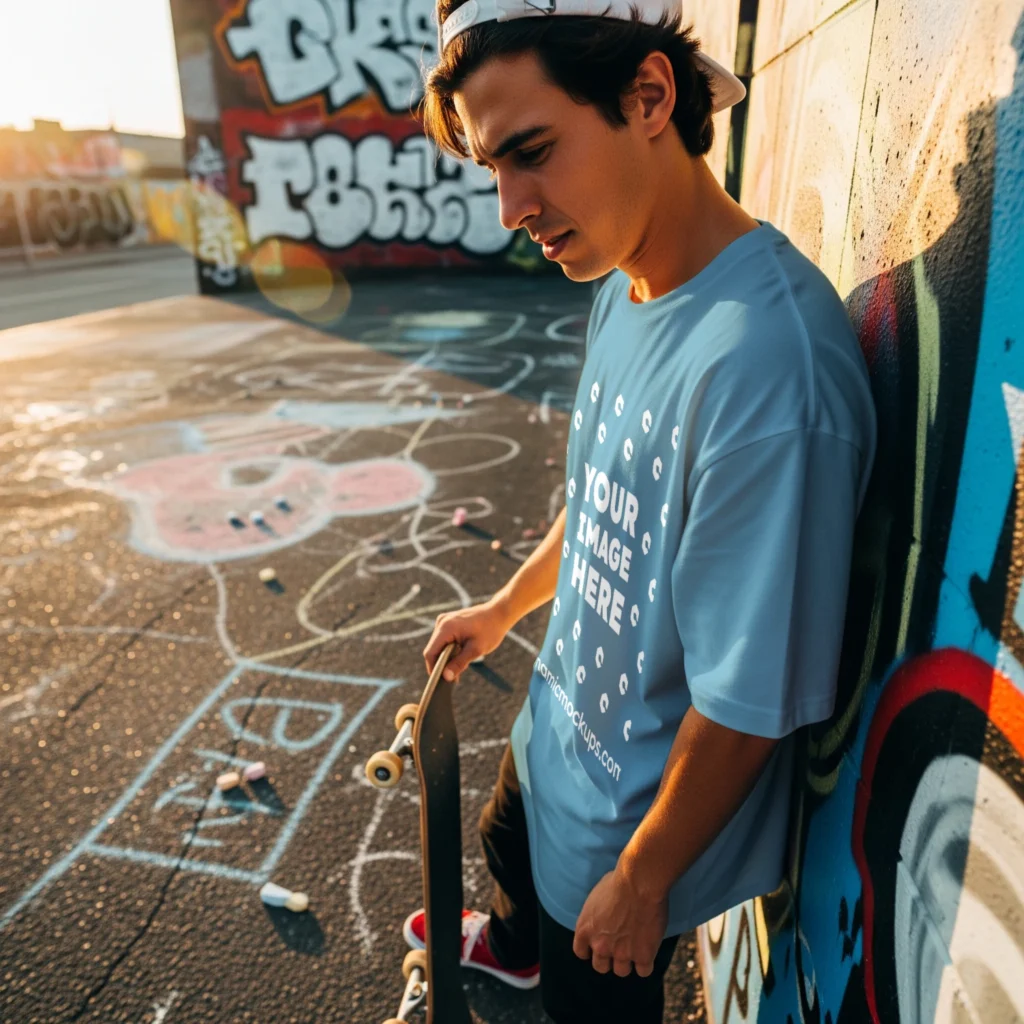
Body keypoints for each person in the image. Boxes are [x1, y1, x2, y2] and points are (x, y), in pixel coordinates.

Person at [408, 2, 877, 1021]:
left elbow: (751, 695)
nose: (508, 206)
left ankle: (546, 955)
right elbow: (604, 498)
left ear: (649, 96)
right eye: (494, 166)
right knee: (499, 840)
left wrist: (645, 878)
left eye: (530, 152)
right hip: (553, 747)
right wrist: (503, 608)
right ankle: (517, 948)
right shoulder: (624, 281)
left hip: (623, 849)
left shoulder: (765, 369)